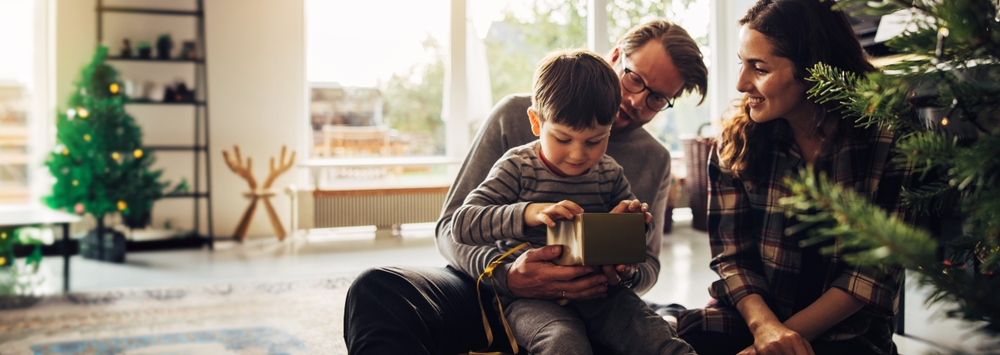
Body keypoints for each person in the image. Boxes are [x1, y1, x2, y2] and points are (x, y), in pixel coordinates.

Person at [344, 19, 708, 355]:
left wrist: (623, 270)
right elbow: (452, 228)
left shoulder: (650, 160)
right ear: (615, 56)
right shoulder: (517, 119)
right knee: (377, 290)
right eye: (634, 79)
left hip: (599, 299)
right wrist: (509, 278)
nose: (635, 101)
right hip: (491, 290)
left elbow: (648, 265)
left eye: (657, 97)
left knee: (658, 333)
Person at [674, 1, 914, 355]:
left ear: (813, 70)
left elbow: (871, 274)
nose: (741, 84)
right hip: (751, 319)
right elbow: (732, 256)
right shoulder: (735, 141)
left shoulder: (890, 139)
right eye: (742, 63)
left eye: (759, 68)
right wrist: (766, 329)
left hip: (846, 335)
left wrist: (773, 345)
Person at [451, 48, 693, 355]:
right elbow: (461, 224)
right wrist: (527, 213)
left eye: (595, 140)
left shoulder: (608, 171)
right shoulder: (516, 167)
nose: (579, 155)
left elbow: (640, 239)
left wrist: (633, 221)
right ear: (536, 123)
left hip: (600, 294)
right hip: (530, 300)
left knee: (656, 335)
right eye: (563, 139)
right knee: (563, 340)